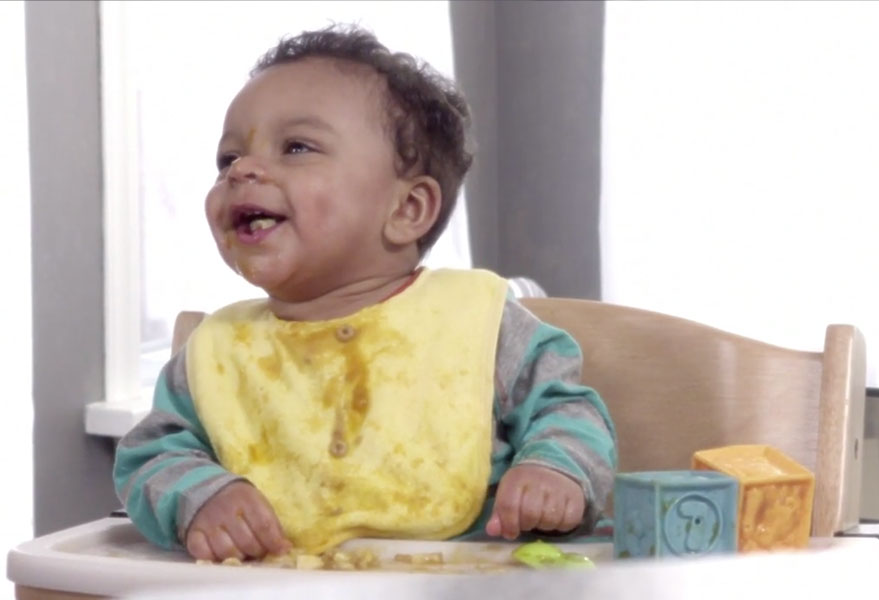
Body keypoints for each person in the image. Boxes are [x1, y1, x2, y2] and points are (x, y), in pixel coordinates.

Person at [113, 24, 617, 563]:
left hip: (471, 582)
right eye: (227, 158)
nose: (243, 171)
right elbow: (151, 453)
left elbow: (568, 412)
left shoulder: (482, 326)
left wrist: (553, 468)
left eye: (296, 147)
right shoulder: (216, 354)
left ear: (407, 210)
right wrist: (202, 497)